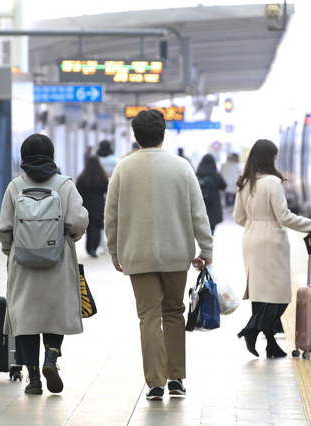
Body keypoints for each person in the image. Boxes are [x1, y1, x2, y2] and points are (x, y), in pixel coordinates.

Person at [105, 109, 214, 401]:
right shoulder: (182, 167)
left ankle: (155, 383)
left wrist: (114, 251)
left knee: (149, 317)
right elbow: (198, 214)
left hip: (137, 256)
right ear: (163, 134)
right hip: (176, 253)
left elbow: (111, 216)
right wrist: (207, 249)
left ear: (136, 137)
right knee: (174, 313)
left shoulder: (123, 169)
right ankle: (176, 379)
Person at [0, 134, 89, 395]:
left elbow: (4, 228)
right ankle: (51, 357)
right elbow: (78, 222)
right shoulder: (65, 185)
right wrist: (68, 239)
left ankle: (34, 378)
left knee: (24, 316)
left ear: (24, 156)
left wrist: (12, 251)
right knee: (54, 312)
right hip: (57, 258)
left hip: (22, 261)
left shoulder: (15, 186)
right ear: (51, 154)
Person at [233, 139, 311, 358]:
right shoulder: (272, 182)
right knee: (280, 294)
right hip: (271, 240)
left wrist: (255, 225)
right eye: (275, 155)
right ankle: (251, 330)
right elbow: (284, 216)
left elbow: (238, 217)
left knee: (260, 292)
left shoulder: (245, 182)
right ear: (269, 157)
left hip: (251, 238)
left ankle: (271, 344)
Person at [76, 156, 109, 257]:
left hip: (87, 205)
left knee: (90, 227)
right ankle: (94, 247)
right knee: (98, 226)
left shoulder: (82, 177)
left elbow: (78, 191)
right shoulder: (102, 176)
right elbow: (106, 189)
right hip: (98, 205)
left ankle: (90, 248)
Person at [196, 154, 227, 235]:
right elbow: (224, 186)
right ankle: (210, 243)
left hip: (200, 205)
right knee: (211, 227)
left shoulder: (197, 174)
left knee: (201, 226)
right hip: (213, 206)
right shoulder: (215, 175)